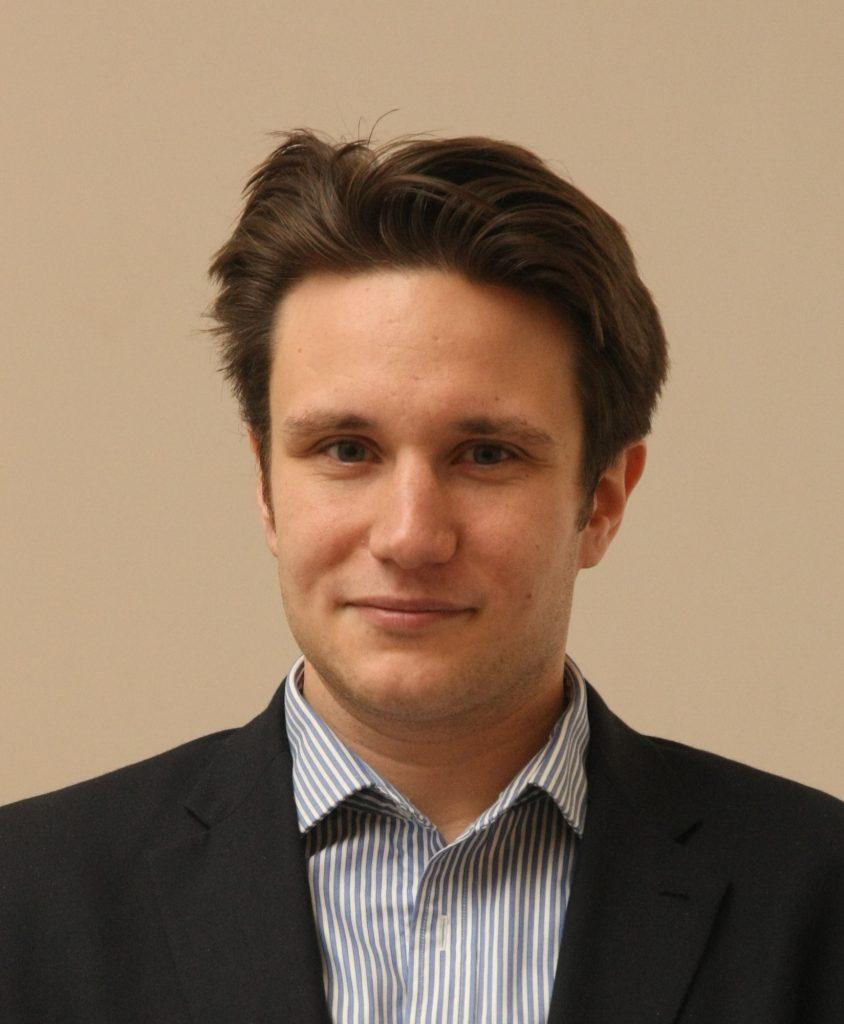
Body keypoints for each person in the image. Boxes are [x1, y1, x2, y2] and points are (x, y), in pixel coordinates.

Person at [1, 130, 841, 1024]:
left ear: (602, 498)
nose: (410, 536)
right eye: (346, 449)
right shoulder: (26, 902)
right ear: (266, 487)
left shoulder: (819, 900)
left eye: (486, 454)